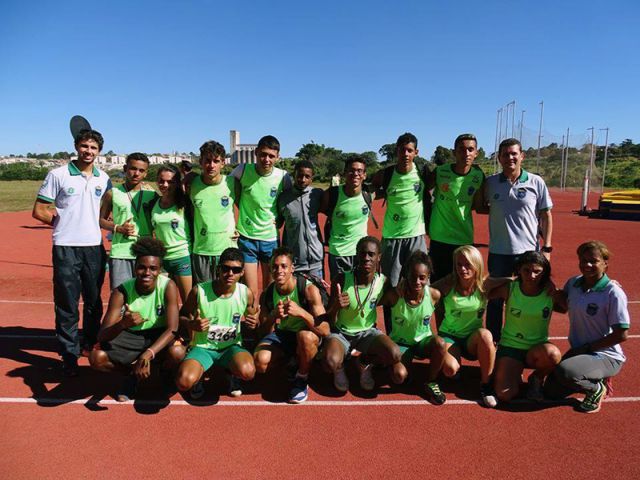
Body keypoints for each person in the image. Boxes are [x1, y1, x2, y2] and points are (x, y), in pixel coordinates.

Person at [32, 128, 112, 376]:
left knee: (93, 301)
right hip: (65, 246)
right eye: (84, 146)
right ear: (76, 147)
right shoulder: (58, 174)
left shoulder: (103, 178)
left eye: (93, 148)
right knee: (67, 302)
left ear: (99, 151)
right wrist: (60, 222)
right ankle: (68, 352)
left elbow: (106, 214)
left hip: (94, 247)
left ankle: (88, 343)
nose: (88, 152)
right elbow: (40, 210)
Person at [89, 237, 185, 401]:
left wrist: (147, 354)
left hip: (160, 334)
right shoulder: (121, 291)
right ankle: (132, 375)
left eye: (153, 268)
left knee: (177, 352)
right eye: (142, 267)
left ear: (160, 270)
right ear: (135, 268)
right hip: (131, 336)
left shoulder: (168, 286)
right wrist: (123, 324)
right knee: (96, 358)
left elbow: (172, 329)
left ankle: (164, 372)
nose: (147, 273)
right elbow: (102, 335)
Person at [544, 241, 630, 413]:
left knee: (566, 372)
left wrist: (588, 348)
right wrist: (553, 294)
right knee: (550, 392)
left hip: (606, 355)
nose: (587, 265)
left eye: (593, 261)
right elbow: (564, 308)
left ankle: (596, 388)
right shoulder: (574, 283)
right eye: (583, 260)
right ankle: (592, 376)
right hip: (581, 352)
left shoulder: (613, 292)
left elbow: (622, 334)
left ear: (605, 263)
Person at [483, 138, 553, 342]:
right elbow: (480, 206)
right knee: (495, 300)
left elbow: (546, 215)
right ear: (499, 158)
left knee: (526, 298)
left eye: (514, 153)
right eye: (505, 154)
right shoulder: (491, 183)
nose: (510, 157)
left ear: (522, 156)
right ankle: (494, 342)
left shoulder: (535, 182)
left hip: (528, 253)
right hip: (498, 252)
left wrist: (547, 248)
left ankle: (525, 341)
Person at [322, 236, 402, 393]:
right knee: (330, 362)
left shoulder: (383, 282)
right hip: (341, 333)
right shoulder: (342, 279)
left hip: (367, 333)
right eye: (363, 253)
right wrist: (337, 306)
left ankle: (363, 362)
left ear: (379, 257)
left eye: (371, 254)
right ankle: (339, 368)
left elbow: (391, 301)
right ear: (357, 255)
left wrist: (401, 291)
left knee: (395, 354)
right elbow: (329, 319)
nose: (366, 258)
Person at [175, 247, 258, 399]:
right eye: (225, 268)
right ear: (218, 269)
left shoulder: (245, 293)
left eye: (236, 270)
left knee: (248, 372)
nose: (230, 274)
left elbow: (253, 320)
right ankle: (198, 377)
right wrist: (191, 324)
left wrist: (254, 323)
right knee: (184, 382)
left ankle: (232, 374)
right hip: (203, 348)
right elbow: (181, 316)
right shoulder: (198, 291)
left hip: (230, 348)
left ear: (242, 272)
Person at [432, 245, 506, 408]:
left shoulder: (484, 285)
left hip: (472, 339)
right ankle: (455, 365)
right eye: (459, 264)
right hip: (450, 336)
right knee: (450, 370)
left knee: (486, 335)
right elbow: (426, 290)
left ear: (476, 264)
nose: (462, 269)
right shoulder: (449, 283)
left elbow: (512, 282)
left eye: (467, 264)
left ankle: (486, 386)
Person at [254, 247, 329, 403]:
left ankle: (302, 378)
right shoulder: (268, 294)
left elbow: (325, 330)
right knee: (260, 361)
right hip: (284, 335)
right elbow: (262, 333)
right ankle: (293, 362)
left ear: (292, 268)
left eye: (284, 266)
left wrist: (301, 312)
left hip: (307, 333)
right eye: (275, 267)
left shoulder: (308, 289)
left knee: (305, 337)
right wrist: (272, 316)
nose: (279, 270)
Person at [371, 133, 428, 333]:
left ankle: (416, 330)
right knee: (391, 287)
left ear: (416, 153)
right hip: (391, 239)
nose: (405, 154)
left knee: (419, 284)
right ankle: (392, 332)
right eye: (402, 150)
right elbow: (368, 187)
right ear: (396, 151)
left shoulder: (424, 172)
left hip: (416, 237)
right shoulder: (386, 174)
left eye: (409, 150)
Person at [490, 251, 563, 403]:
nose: (532, 276)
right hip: (510, 347)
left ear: (545, 273)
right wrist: (508, 279)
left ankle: (536, 378)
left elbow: (567, 306)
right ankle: (514, 372)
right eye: (526, 270)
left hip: (537, 349)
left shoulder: (550, 292)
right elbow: (484, 290)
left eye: (537, 271)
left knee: (553, 354)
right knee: (505, 394)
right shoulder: (510, 288)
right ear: (519, 270)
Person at [378, 251, 447, 404]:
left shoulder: (434, 295)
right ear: (406, 275)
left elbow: (442, 322)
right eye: (413, 276)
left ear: (428, 277)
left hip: (423, 343)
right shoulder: (395, 295)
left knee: (440, 343)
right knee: (399, 376)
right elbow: (372, 303)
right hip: (400, 345)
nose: (417, 281)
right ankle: (396, 366)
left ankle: (431, 381)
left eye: (422, 278)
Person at [231, 135, 291, 299]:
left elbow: (290, 201)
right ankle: (252, 323)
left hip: (270, 239)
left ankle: (268, 323)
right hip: (246, 238)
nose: (266, 159)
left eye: (271, 156)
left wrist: (280, 218)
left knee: (270, 290)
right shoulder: (242, 170)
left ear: (278, 157)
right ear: (256, 153)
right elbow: (224, 188)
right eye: (263, 154)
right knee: (250, 291)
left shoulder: (283, 177)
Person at [426, 133, 485, 282]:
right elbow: (422, 191)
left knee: (462, 283)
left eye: (470, 150)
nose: (466, 153)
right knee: (437, 284)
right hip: (439, 237)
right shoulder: (440, 172)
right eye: (461, 149)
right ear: (454, 152)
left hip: (463, 238)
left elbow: (478, 206)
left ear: (476, 153)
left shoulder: (479, 176)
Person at [100, 152, 158, 289]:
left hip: (145, 253)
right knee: (120, 295)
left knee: (145, 295)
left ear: (146, 174)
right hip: (121, 252)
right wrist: (118, 228)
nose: (136, 173)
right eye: (133, 168)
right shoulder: (112, 193)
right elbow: (101, 220)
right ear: (125, 169)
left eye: (141, 170)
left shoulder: (152, 195)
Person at [187, 141, 238, 284]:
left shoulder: (232, 183)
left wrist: (239, 228)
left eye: (216, 161)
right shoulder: (191, 184)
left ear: (223, 163)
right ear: (200, 161)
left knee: (228, 296)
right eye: (207, 161)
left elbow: (243, 207)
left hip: (227, 250)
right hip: (201, 250)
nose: (211, 165)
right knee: (203, 297)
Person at [321, 156, 372, 280]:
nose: (355, 174)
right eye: (351, 170)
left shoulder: (368, 194)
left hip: (361, 253)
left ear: (364, 175)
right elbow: (318, 209)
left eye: (359, 171)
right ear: (344, 173)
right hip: (338, 253)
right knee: (339, 293)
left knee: (360, 290)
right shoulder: (332, 194)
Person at [276, 160, 324, 279]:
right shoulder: (283, 198)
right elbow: (278, 223)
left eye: (307, 176)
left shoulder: (317, 194)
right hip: (293, 263)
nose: (303, 180)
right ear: (294, 175)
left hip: (315, 262)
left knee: (317, 296)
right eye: (300, 175)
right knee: (294, 297)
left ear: (312, 178)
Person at [151, 164, 192, 303]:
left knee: (188, 301)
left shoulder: (185, 202)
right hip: (162, 259)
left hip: (182, 257)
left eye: (170, 181)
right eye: (161, 181)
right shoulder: (153, 203)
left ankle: (186, 325)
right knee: (162, 302)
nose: (165, 184)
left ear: (177, 183)